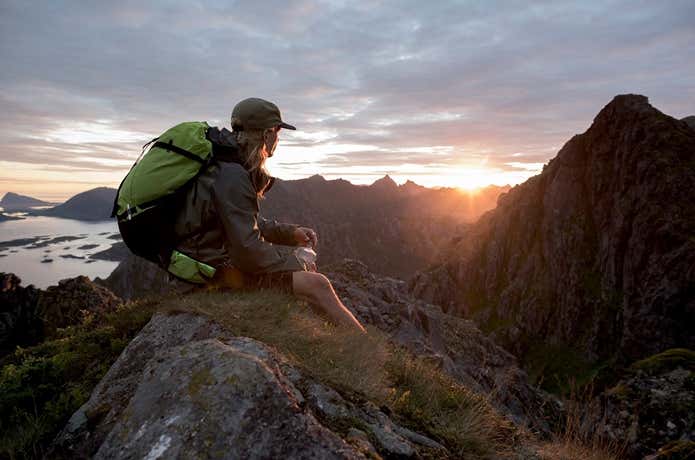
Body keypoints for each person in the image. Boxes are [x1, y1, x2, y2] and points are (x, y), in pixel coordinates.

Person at [173, 97, 366, 333]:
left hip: (202, 264)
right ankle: (371, 355)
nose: (278, 139)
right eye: (277, 132)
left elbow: (240, 220)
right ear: (266, 135)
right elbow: (248, 250)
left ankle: (322, 337)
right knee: (318, 284)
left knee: (301, 278)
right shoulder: (233, 175)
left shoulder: (222, 164)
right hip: (210, 275)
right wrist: (296, 260)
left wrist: (290, 233)